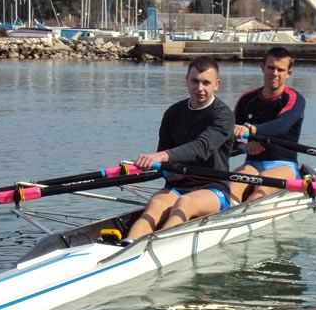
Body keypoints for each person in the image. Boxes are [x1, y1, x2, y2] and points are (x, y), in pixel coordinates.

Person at [124, 56, 234, 243]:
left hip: (213, 188)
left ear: (217, 84)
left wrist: (162, 157)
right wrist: (167, 173)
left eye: (206, 83)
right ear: (187, 81)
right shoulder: (173, 113)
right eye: (195, 81)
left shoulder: (223, 115)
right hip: (178, 186)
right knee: (156, 203)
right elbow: (164, 160)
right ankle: (128, 245)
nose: (200, 88)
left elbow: (201, 148)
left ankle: (157, 245)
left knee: (185, 202)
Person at [230, 46, 306, 203]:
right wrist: (243, 146)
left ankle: (248, 211)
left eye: (280, 70)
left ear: (288, 73)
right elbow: (228, 138)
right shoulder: (247, 99)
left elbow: (282, 125)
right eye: (271, 68)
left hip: (284, 166)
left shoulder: (294, 99)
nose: (275, 73)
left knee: (263, 183)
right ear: (262, 68)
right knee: (232, 185)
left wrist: (250, 129)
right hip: (252, 164)